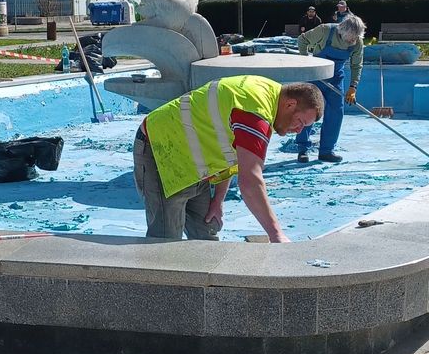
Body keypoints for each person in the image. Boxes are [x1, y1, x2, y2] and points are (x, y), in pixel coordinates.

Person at [133, 76, 323, 243]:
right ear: (290, 104)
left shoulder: (268, 95)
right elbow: (250, 181)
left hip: (191, 160)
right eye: (300, 122)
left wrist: (218, 201)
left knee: (206, 234)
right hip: (161, 149)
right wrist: (276, 235)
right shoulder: (255, 112)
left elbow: (230, 154)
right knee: (165, 242)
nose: (299, 130)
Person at [295, 12, 366, 163]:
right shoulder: (325, 30)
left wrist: (353, 87)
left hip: (336, 78)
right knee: (308, 110)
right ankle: (302, 149)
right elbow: (302, 40)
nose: (353, 41)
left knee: (336, 112)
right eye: (351, 38)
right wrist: (306, 63)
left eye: (355, 38)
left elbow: (356, 65)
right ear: (343, 31)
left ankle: (327, 151)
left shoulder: (357, 43)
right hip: (315, 77)